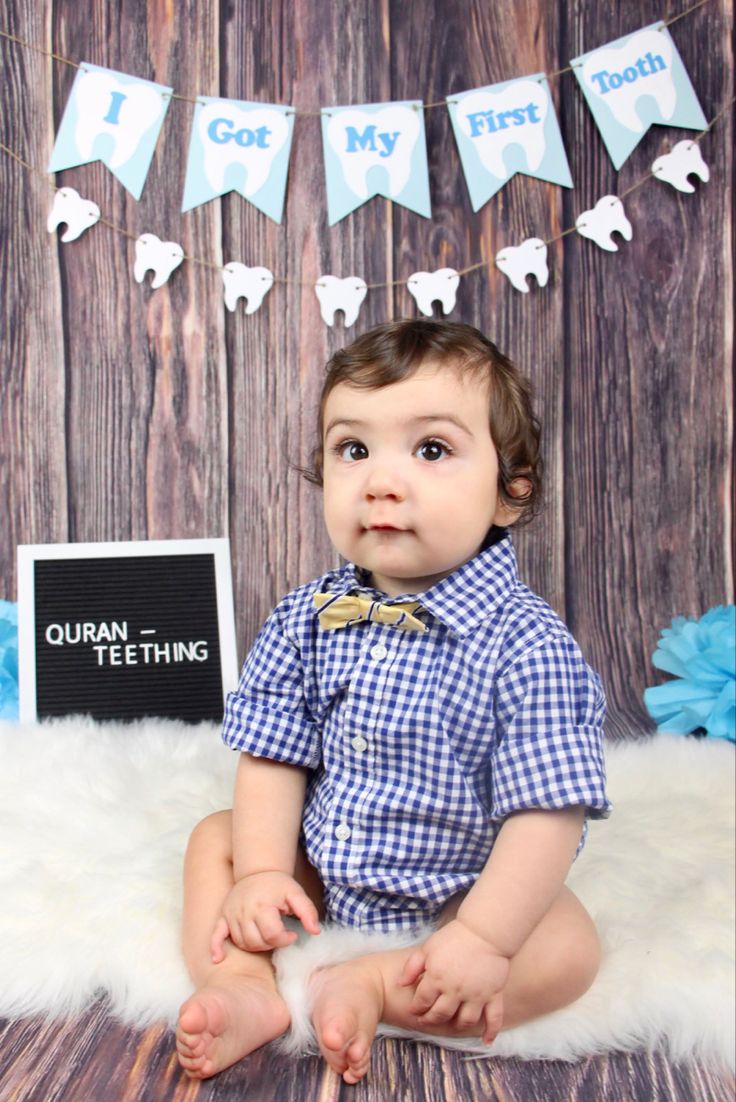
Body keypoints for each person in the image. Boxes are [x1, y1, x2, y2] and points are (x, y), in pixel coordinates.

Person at [176, 319, 610, 1084]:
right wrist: (265, 872)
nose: (380, 480)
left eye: (432, 450)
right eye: (353, 449)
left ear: (511, 494)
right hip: (326, 869)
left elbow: (549, 814)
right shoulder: (306, 615)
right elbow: (274, 753)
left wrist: (483, 937)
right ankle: (244, 984)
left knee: (568, 950)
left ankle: (379, 984)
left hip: (463, 886)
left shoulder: (530, 646)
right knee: (218, 840)